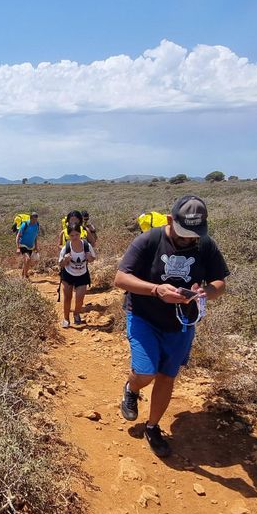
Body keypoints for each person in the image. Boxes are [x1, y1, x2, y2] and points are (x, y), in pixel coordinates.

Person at [113, 196, 229, 457]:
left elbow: (219, 283)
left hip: (181, 322)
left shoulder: (205, 244)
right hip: (144, 316)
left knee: (167, 375)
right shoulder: (149, 240)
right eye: (183, 232)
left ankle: (152, 427)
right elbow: (120, 278)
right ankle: (132, 388)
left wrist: (205, 293)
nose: (188, 239)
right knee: (146, 372)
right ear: (169, 220)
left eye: (194, 234)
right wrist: (156, 290)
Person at [59, 211, 96, 328]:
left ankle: (76, 314)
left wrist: (89, 257)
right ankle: (66, 319)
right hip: (68, 273)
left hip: (82, 273)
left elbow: (93, 255)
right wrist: (65, 259)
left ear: (80, 234)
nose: (74, 237)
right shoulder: (66, 245)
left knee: (80, 298)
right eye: (72, 235)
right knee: (67, 298)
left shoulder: (86, 243)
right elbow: (60, 263)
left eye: (76, 235)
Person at [15, 211, 40, 279]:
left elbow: (35, 236)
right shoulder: (25, 224)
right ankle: (26, 276)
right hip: (22, 244)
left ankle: (23, 275)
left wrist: (36, 246)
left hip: (30, 246)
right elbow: (18, 236)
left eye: (36, 219)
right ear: (31, 218)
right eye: (34, 219)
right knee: (28, 259)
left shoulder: (37, 224)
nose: (35, 221)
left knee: (27, 261)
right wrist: (18, 247)